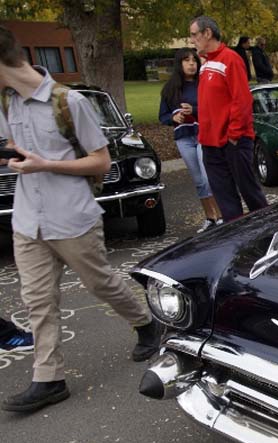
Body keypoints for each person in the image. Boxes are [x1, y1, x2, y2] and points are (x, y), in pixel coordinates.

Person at [0, 25, 161, 412]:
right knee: (38, 300)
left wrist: (46, 164)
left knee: (101, 283)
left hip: (71, 217)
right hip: (28, 220)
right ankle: (49, 379)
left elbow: (101, 161)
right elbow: (12, 147)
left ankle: (146, 324)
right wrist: (16, 156)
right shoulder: (7, 103)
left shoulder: (68, 102)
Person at [189, 16, 268, 221]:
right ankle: (238, 245)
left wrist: (233, 135)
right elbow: (212, 104)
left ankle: (270, 236)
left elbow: (242, 100)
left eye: (194, 35)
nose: (191, 40)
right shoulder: (205, 65)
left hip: (232, 141)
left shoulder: (230, 58)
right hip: (210, 144)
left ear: (207, 33)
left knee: (251, 195)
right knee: (226, 201)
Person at [159, 47, 222, 233]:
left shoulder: (203, 83)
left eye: (194, 60)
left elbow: (213, 109)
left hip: (204, 134)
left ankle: (221, 217)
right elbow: (162, 116)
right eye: (187, 60)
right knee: (198, 180)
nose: (191, 64)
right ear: (179, 64)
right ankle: (210, 218)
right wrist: (174, 117)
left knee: (207, 177)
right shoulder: (170, 89)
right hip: (183, 138)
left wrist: (193, 110)